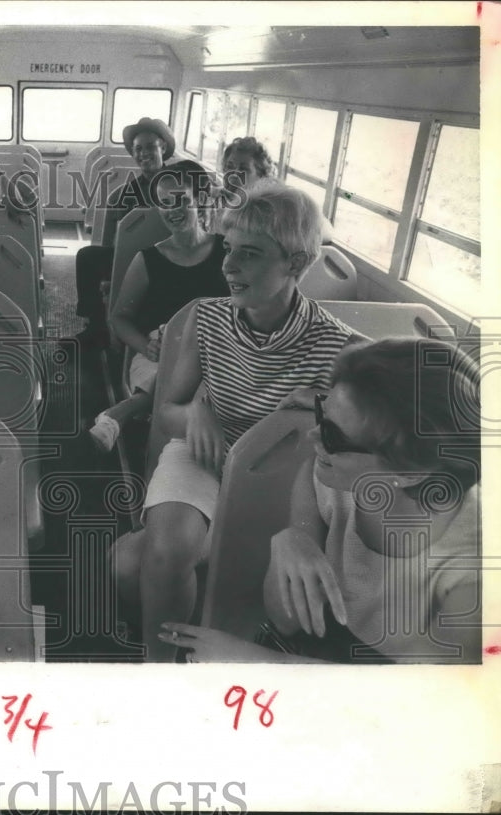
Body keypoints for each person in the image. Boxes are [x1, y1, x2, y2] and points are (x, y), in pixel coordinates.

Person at [111, 181, 360, 661]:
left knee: (127, 565)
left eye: (249, 254)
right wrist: (196, 413)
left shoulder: (342, 349)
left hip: (288, 476)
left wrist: (313, 412)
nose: (227, 265)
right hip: (205, 452)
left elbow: (352, 441)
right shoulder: (207, 319)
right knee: (164, 553)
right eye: (228, 249)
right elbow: (168, 409)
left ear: (296, 264)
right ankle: (158, 670)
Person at [160, 338, 481, 664]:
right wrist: (291, 538)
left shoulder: (475, 570)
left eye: (334, 435)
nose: (313, 437)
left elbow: (423, 699)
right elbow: (286, 620)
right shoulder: (332, 481)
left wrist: (258, 662)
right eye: (321, 414)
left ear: (412, 473)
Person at [89, 160, 229, 452]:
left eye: (181, 200)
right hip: (158, 354)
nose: (172, 210)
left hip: (216, 352)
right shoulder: (148, 260)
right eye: (164, 203)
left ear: (200, 200)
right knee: (178, 384)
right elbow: (120, 318)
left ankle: (123, 413)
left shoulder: (228, 253)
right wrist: (145, 346)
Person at [70, 117, 177, 348]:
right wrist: (109, 277)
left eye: (150, 147)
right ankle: (96, 327)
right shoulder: (122, 194)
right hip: (131, 261)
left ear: (164, 148)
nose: (143, 154)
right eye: (138, 149)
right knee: (87, 257)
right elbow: (110, 242)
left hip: (174, 258)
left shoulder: (182, 184)